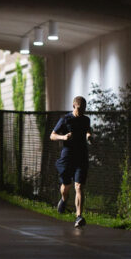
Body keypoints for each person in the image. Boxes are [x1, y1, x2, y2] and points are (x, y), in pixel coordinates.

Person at [50, 95, 92, 228]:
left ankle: (79, 216)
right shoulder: (65, 119)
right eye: (80, 109)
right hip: (67, 156)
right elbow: (52, 135)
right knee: (66, 186)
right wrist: (63, 137)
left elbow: (87, 130)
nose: (82, 111)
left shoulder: (86, 120)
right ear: (74, 106)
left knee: (79, 186)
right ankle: (63, 199)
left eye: (84, 109)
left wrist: (89, 135)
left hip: (81, 156)